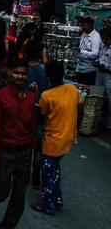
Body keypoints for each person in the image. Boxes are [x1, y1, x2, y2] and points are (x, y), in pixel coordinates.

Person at [0, 58, 37, 229]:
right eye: (16, 72)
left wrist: (32, 147)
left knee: (19, 195)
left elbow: (32, 125)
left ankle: (7, 225)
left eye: (23, 73)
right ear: (10, 72)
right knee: (1, 193)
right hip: (5, 153)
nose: (19, 76)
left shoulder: (31, 98)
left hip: (25, 153)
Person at [30, 61, 84, 216]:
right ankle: (57, 197)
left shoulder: (47, 96)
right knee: (55, 169)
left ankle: (48, 204)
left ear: (47, 76)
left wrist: (36, 93)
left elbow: (40, 116)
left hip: (52, 141)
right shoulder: (72, 89)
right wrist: (76, 130)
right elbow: (80, 109)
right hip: (67, 138)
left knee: (48, 173)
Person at [23, 40, 47, 189]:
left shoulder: (23, 70)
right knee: (38, 144)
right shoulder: (44, 70)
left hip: (26, 110)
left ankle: (24, 173)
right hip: (40, 111)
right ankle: (35, 175)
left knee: (25, 143)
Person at [76, 16, 100, 85]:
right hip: (79, 68)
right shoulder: (84, 33)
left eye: (83, 25)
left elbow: (95, 54)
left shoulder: (96, 37)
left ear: (89, 24)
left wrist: (81, 52)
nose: (82, 27)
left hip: (89, 71)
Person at [95, 27, 111, 129]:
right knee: (97, 96)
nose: (104, 40)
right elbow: (99, 57)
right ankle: (96, 119)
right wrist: (97, 62)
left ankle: (109, 123)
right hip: (99, 74)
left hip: (109, 76)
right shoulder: (103, 46)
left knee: (110, 99)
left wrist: (106, 67)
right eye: (103, 38)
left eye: (106, 38)